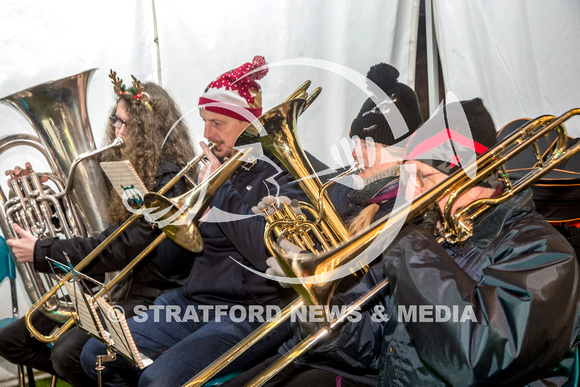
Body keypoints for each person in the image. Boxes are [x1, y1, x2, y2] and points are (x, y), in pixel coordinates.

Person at [227, 98, 580, 386]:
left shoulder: (545, 253)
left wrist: (406, 239)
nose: (412, 191)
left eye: (425, 176)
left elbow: (477, 357)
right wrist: (321, 311)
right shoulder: (434, 232)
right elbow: (376, 345)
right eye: (411, 176)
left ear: (474, 178)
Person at [79, 56, 308, 387]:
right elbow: (172, 266)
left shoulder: (281, 173)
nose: (206, 133)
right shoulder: (214, 172)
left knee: (157, 381)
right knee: (96, 354)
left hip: (251, 312)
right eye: (204, 121)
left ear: (249, 123)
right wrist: (183, 221)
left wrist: (220, 191)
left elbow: (266, 254)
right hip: (193, 304)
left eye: (217, 123)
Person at [226, 62, 425, 386]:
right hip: (314, 338)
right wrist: (292, 225)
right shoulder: (345, 192)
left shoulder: (408, 212)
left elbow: (371, 306)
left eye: (371, 144)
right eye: (356, 140)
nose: (357, 151)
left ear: (405, 152)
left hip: (355, 358)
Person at [0, 72, 196, 386]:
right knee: (11, 339)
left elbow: (119, 245)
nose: (116, 130)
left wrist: (41, 251)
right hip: (111, 288)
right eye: (114, 120)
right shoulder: (123, 166)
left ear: (148, 131)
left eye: (124, 124)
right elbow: (91, 227)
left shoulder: (168, 184)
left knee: (66, 355)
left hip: (150, 296)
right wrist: (49, 203)